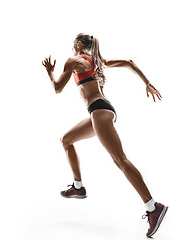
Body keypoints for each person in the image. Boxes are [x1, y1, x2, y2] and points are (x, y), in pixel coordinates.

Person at [42, 33, 167, 238]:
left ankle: (154, 207)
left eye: (73, 45)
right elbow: (129, 62)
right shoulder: (97, 61)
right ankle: (78, 187)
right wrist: (147, 82)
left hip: (99, 110)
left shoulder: (74, 60)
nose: (72, 49)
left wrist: (50, 73)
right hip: (100, 111)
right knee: (67, 140)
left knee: (120, 160)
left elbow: (57, 88)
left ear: (79, 45)